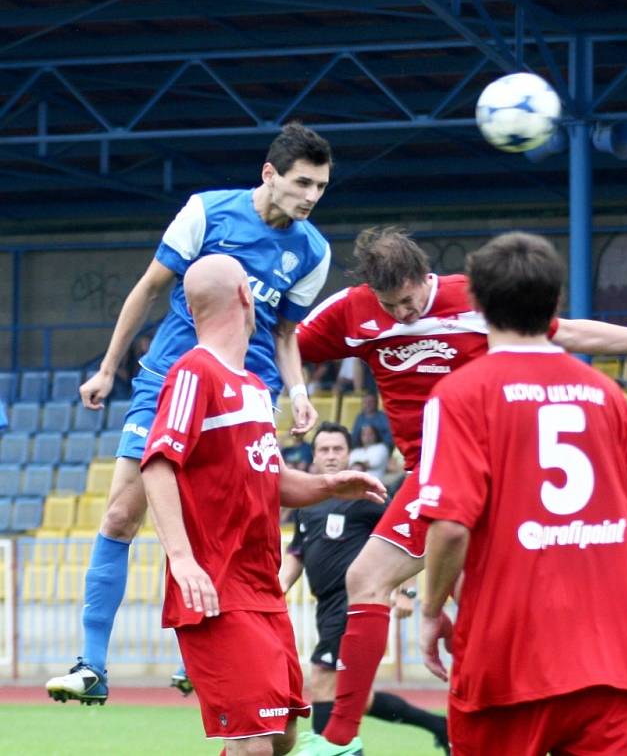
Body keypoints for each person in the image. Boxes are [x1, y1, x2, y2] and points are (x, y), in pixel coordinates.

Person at [293, 226, 627, 756]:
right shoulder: (350, 312)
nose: (403, 314)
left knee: (368, 576)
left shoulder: (471, 308)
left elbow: (563, 332)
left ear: (427, 279)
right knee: (502, 597)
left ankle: (339, 738)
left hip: (465, 461)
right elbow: (284, 337)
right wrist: (289, 393)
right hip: (468, 465)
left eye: (409, 301)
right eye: (390, 305)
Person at [46, 122, 334, 705]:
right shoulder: (207, 212)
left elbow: (284, 334)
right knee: (123, 513)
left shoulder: (314, 251)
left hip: (248, 397)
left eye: (322, 187)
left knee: (227, 528)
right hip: (170, 382)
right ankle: (92, 665)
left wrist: (299, 391)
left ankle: (201, 656)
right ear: (269, 174)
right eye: (303, 183)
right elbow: (148, 288)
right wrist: (108, 368)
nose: (311, 196)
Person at [415, 231, 627, 755]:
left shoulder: (459, 394)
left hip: (506, 661)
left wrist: (431, 608)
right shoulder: (607, 395)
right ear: (555, 305)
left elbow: (452, 526)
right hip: (609, 666)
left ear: (476, 303)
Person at [137, 255, 385, 755]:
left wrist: (328, 486)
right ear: (247, 298)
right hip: (218, 590)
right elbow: (157, 463)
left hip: (262, 590)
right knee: (255, 742)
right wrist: (182, 559)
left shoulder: (253, 388)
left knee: (284, 736)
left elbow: (267, 479)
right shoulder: (193, 372)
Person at [279, 422, 448, 754]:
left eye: (337, 449)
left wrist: (405, 591)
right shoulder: (307, 502)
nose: (330, 456)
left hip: (353, 603)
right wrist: (278, 587)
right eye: (324, 450)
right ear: (314, 456)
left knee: (324, 676)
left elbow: (404, 537)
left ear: (349, 453)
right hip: (325, 605)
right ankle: (436, 725)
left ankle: (328, 746)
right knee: (353, 695)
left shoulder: (367, 494)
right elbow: (298, 552)